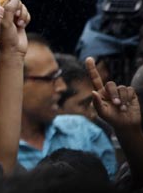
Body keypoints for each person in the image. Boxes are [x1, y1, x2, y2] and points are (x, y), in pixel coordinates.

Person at [17, 33, 118, 178]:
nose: (62, 87)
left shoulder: (86, 133)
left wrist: (128, 132)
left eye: (58, 75)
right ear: (15, 82)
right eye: (50, 77)